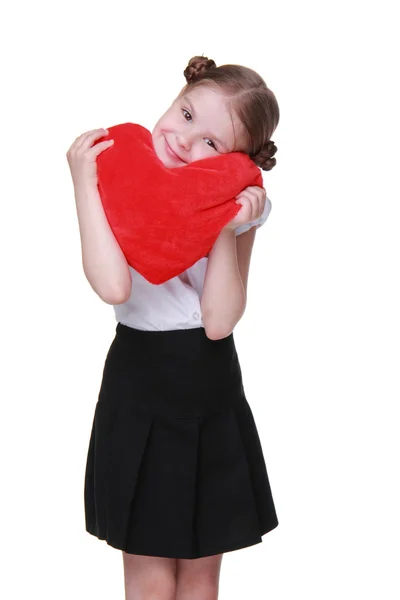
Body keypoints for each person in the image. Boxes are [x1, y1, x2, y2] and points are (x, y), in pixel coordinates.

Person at [66, 55, 280, 600]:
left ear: (234, 162)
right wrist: (83, 181)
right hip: (138, 385)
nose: (185, 140)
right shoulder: (120, 174)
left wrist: (225, 229)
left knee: (202, 575)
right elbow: (114, 287)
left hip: (210, 387)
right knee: (149, 574)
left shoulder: (238, 208)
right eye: (185, 115)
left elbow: (219, 321)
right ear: (175, 96)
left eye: (211, 142)